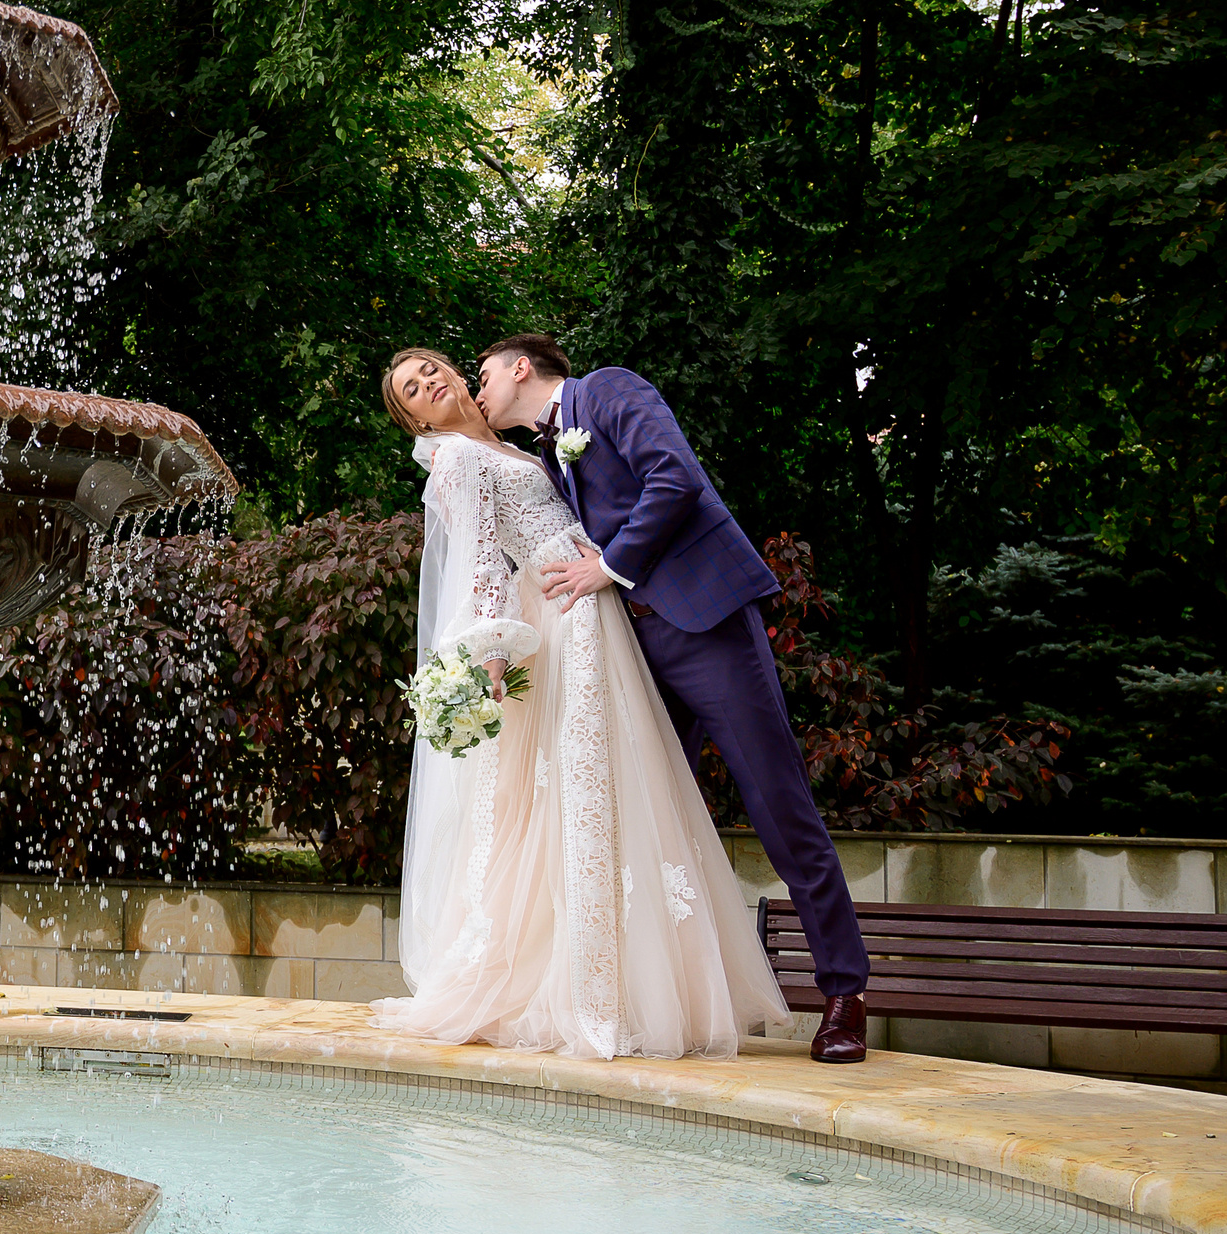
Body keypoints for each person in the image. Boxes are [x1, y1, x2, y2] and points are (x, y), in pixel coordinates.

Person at [369, 347, 789, 1060]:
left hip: (596, 605)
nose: (431, 381)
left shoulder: (520, 448)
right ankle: (592, 990)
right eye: (413, 388)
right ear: (414, 418)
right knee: (580, 796)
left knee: (616, 789)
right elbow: (480, 566)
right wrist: (491, 653)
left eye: (432, 368)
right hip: (562, 611)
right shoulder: (457, 462)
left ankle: (633, 983)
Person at [472, 332, 871, 1063]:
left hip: (705, 626)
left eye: (484, 374)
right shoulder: (541, 457)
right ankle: (665, 1004)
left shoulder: (610, 389)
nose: (478, 390)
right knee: (647, 822)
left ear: (522, 366)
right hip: (633, 651)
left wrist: (611, 565)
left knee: (781, 810)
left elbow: (674, 478)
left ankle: (845, 992)